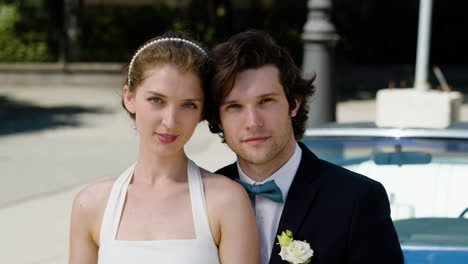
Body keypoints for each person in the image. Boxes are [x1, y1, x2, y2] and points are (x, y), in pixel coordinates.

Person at [207, 30, 404, 264]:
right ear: (219, 119)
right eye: (234, 107)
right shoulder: (202, 197)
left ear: (293, 104)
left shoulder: (357, 200)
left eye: (266, 101)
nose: (253, 122)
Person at [69, 32, 259, 264]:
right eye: (157, 100)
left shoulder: (226, 200)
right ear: (130, 97)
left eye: (188, 105)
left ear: (201, 112)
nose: (170, 121)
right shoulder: (91, 204)